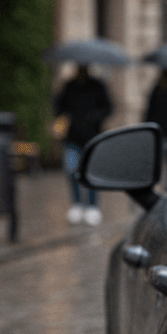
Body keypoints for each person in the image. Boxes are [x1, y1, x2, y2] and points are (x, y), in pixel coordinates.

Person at [54, 65, 113, 225]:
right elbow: (58, 106)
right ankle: (77, 204)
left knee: (92, 173)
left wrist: (95, 116)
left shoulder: (98, 86)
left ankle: (92, 206)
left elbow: (108, 108)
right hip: (73, 138)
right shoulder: (69, 86)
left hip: (92, 138)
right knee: (72, 170)